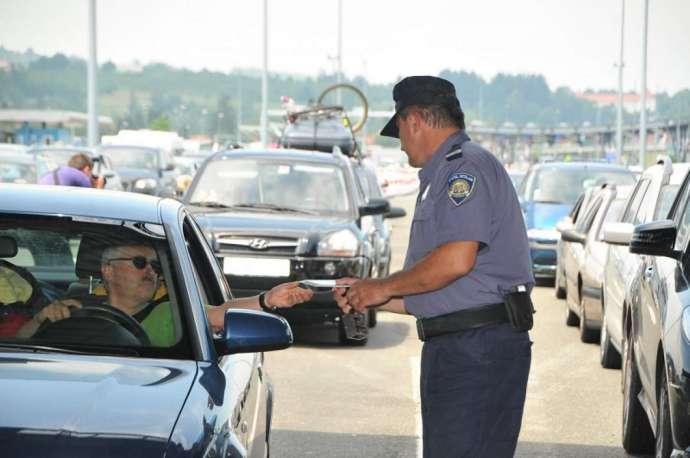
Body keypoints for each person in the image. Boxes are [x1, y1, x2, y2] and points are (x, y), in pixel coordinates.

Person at [333, 76, 534, 457]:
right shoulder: (444, 173)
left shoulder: (464, 169)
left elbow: (456, 261)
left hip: (476, 350)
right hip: (465, 344)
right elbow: (440, 291)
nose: (402, 144)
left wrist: (384, 287)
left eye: (401, 132)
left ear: (415, 121)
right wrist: (367, 293)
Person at [17, 243, 312, 345]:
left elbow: (221, 314)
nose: (150, 271)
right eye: (139, 263)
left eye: (155, 266)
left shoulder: (172, 313)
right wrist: (41, 320)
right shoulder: (70, 312)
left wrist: (267, 300)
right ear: (107, 270)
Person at [38, 153, 106, 188]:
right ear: (87, 169)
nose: (91, 176)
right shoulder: (81, 176)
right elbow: (92, 202)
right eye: (91, 172)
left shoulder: (61, 170)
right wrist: (99, 187)